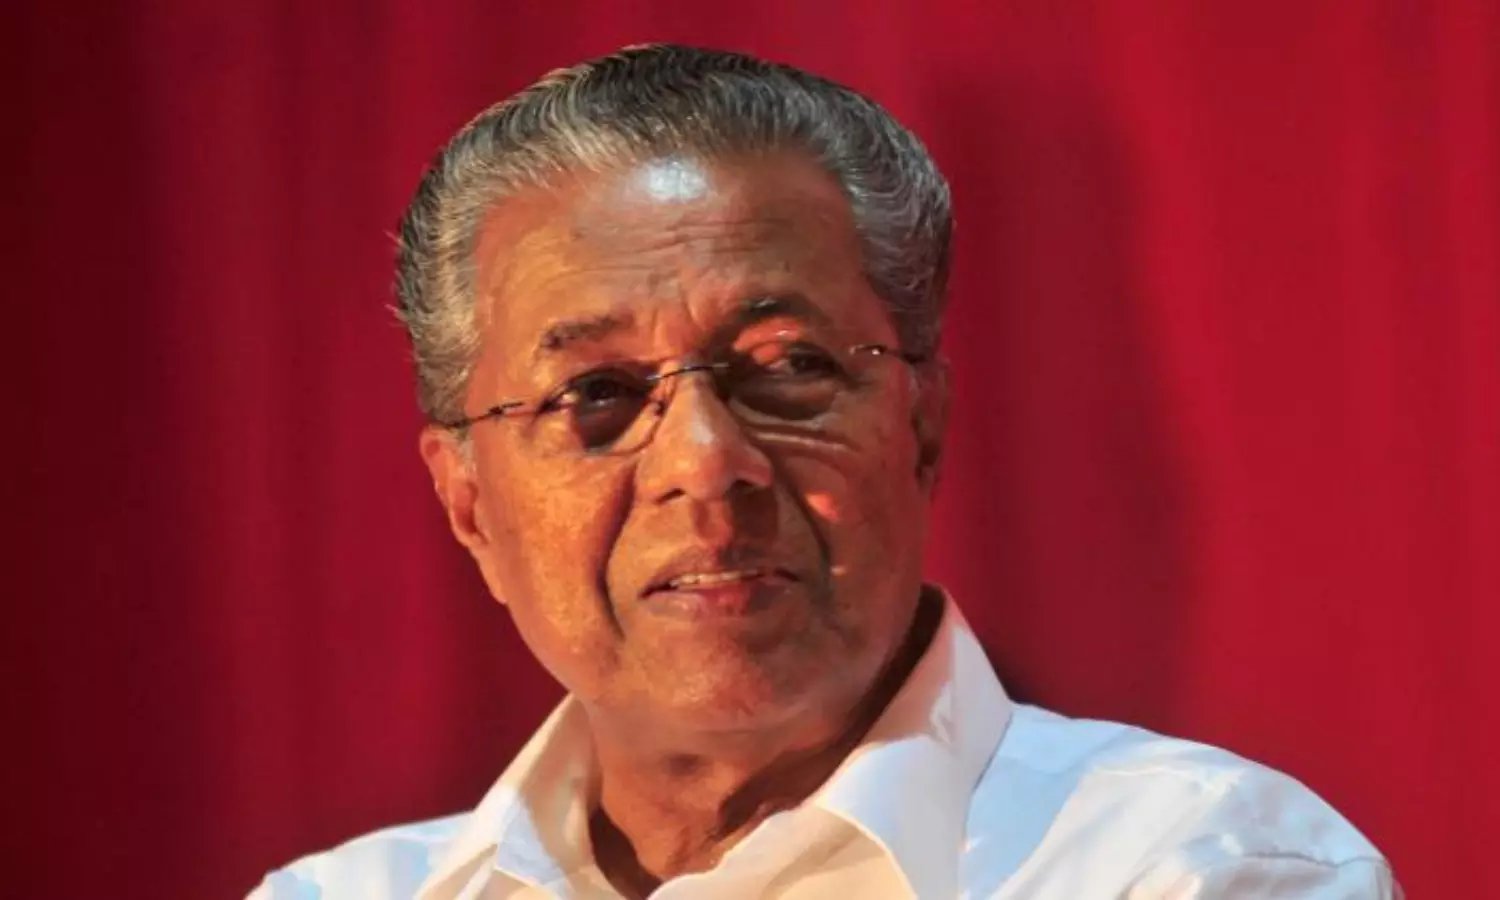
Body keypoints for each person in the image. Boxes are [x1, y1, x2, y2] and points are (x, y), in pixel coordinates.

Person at [251, 44, 1397, 899]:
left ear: (922, 427)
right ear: (467, 505)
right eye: (596, 395)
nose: (706, 464)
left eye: (788, 367)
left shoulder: (1203, 868)